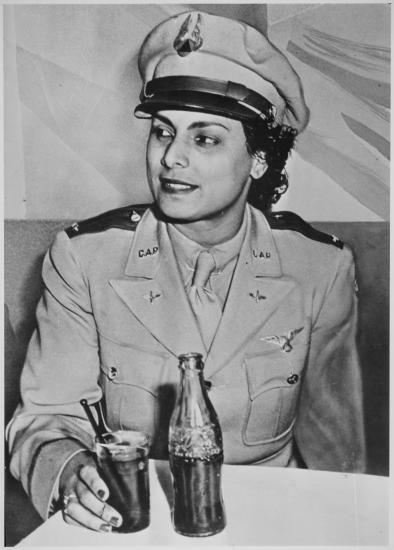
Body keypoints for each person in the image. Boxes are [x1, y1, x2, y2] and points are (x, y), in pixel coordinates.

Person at [6, 10, 366, 533]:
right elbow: (46, 419)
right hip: (136, 519)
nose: (170, 157)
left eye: (205, 139)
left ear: (260, 159)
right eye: (161, 132)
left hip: (277, 523)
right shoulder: (85, 260)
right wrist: (66, 470)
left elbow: (340, 454)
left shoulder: (321, 268)